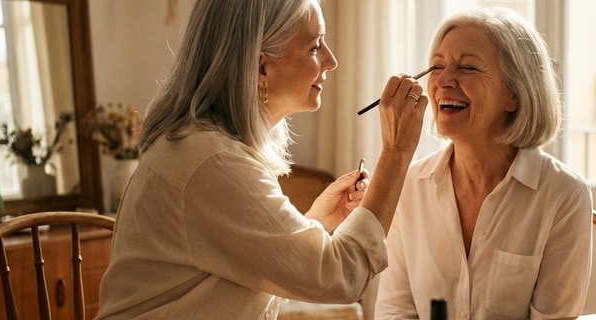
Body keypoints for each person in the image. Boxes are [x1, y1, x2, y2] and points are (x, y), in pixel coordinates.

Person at [95, 0, 429, 318]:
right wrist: (396, 153)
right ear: (261, 67)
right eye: (315, 46)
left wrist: (316, 224)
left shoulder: (202, 147)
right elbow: (340, 277)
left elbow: (244, 264)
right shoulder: (212, 163)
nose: (331, 61)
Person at [374, 7, 593, 320]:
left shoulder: (565, 195)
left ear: (514, 95)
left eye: (468, 68)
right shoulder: (408, 185)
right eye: (437, 65)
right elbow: (394, 311)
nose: (444, 80)